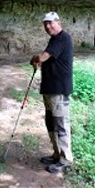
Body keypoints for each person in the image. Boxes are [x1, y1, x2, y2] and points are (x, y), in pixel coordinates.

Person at [30, 11, 73, 174]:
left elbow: (43, 57)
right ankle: (56, 154)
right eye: (45, 24)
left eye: (50, 23)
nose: (48, 26)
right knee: (51, 122)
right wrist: (38, 60)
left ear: (58, 22)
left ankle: (66, 158)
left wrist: (36, 59)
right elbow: (47, 59)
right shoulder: (54, 39)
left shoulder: (63, 37)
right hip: (49, 88)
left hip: (59, 89)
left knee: (61, 124)